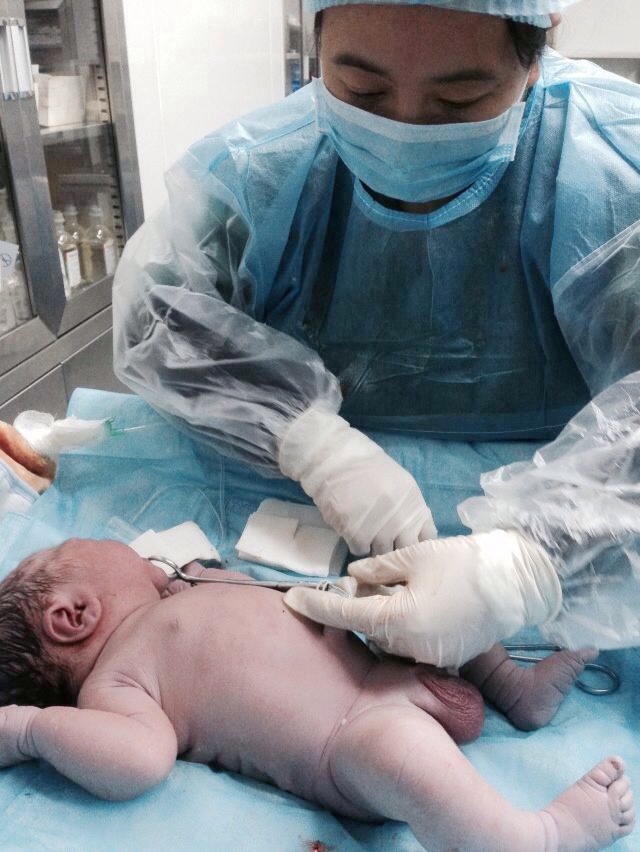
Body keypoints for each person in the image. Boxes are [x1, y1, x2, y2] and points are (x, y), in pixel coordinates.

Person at [111, 0, 640, 662]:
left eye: (459, 100)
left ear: (536, 56)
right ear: (316, 42)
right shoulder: (259, 169)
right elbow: (155, 322)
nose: (403, 132)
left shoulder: (614, 171)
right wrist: (308, 440)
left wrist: (530, 563)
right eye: (361, 90)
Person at [0, 539, 634, 851]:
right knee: (414, 770)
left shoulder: (177, 601)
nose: (147, 557)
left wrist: (215, 581)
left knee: (433, 607)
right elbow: (138, 760)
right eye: (85, 548)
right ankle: (542, 836)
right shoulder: (115, 682)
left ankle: (514, 688)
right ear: (73, 615)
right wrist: (29, 729)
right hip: (351, 737)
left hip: (384, 662)